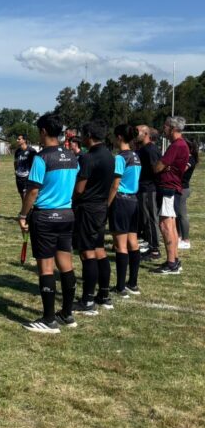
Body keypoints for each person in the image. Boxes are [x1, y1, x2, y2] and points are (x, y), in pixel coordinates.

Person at [19, 113, 79, 334]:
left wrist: (23, 214)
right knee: (66, 263)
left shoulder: (41, 158)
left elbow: (33, 190)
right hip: (66, 214)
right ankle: (67, 313)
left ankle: (48, 319)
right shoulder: (72, 155)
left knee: (46, 267)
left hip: (45, 216)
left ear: (43, 131)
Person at [72, 122, 115, 315]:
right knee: (99, 251)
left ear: (89, 135)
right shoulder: (109, 155)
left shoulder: (88, 158)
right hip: (101, 207)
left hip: (87, 208)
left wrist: (71, 198)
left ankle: (87, 301)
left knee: (87, 253)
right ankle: (103, 295)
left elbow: (80, 189)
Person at [152, 116, 189, 274]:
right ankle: (174, 259)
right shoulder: (182, 144)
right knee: (171, 225)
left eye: (166, 127)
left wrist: (161, 166)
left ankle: (171, 263)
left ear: (173, 128)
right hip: (173, 188)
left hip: (169, 188)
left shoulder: (176, 145)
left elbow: (158, 167)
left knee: (165, 225)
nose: (163, 129)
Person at [108, 125, 142, 297]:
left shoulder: (120, 158)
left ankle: (121, 287)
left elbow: (115, 184)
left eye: (115, 136)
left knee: (120, 245)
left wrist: (108, 203)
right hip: (134, 201)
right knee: (133, 242)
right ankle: (133, 283)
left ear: (120, 137)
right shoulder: (136, 156)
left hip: (121, 200)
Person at [136, 125, 161, 260]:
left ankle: (155, 249)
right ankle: (150, 245)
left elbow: (155, 169)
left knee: (151, 219)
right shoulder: (143, 149)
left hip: (149, 189)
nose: (135, 133)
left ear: (146, 133)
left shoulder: (150, 149)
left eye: (137, 131)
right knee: (146, 219)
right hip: (143, 188)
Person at [176, 138, 198, 250]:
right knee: (177, 215)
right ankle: (179, 237)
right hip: (178, 188)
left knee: (182, 215)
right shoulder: (185, 157)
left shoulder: (190, 158)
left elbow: (182, 169)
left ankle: (186, 240)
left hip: (183, 189)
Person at [14, 133, 36, 208]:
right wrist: (16, 171)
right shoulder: (17, 151)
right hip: (19, 176)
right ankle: (25, 211)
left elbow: (35, 164)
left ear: (24, 140)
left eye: (19, 139)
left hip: (27, 177)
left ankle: (27, 212)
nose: (17, 140)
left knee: (26, 195)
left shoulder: (31, 151)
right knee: (21, 195)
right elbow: (15, 162)